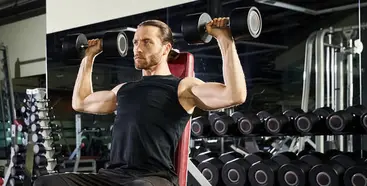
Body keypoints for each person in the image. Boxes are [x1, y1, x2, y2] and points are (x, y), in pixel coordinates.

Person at [34, 18, 247, 186]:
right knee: (47, 181)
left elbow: (235, 95)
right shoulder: (124, 90)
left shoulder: (182, 87)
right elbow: (81, 103)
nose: (137, 48)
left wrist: (224, 39)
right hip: (112, 176)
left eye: (147, 42)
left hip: (155, 178)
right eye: (135, 42)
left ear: (165, 48)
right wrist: (88, 58)